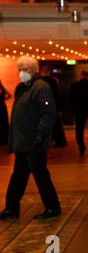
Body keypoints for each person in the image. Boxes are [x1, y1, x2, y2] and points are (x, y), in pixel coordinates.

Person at [0, 56, 61, 220]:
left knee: (40, 175)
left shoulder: (41, 87)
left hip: (34, 142)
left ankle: (52, 207)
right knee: (18, 176)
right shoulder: (23, 87)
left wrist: (39, 135)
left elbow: (48, 114)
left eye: (25, 69)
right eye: (20, 69)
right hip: (22, 142)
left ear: (34, 70)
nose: (22, 72)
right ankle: (12, 209)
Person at [69, 70, 88, 155]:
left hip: (79, 110)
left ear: (80, 75)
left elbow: (71, 98)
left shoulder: (74, 85)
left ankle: (81, 147)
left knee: (79, 129)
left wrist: (73, 109)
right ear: (87, 75)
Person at [40, 66, 67, 147]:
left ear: (42, 72)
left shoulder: (39, 81)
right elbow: (57, 95)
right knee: (55, 125)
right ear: (48, 72)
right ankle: (58, 141)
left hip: (41, 107)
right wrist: (59, 108)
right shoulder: (53, 81)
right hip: (52, 106)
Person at [0, 78, 12, 145]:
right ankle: (4, 139)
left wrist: (2, 99)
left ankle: (3, 139)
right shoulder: (2, 88)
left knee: (3, 122)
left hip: (2, 106)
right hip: (2, 106)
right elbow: (9, 95)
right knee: (3, 121)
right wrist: (3, 99)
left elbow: (10, 95)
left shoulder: (2, 87)